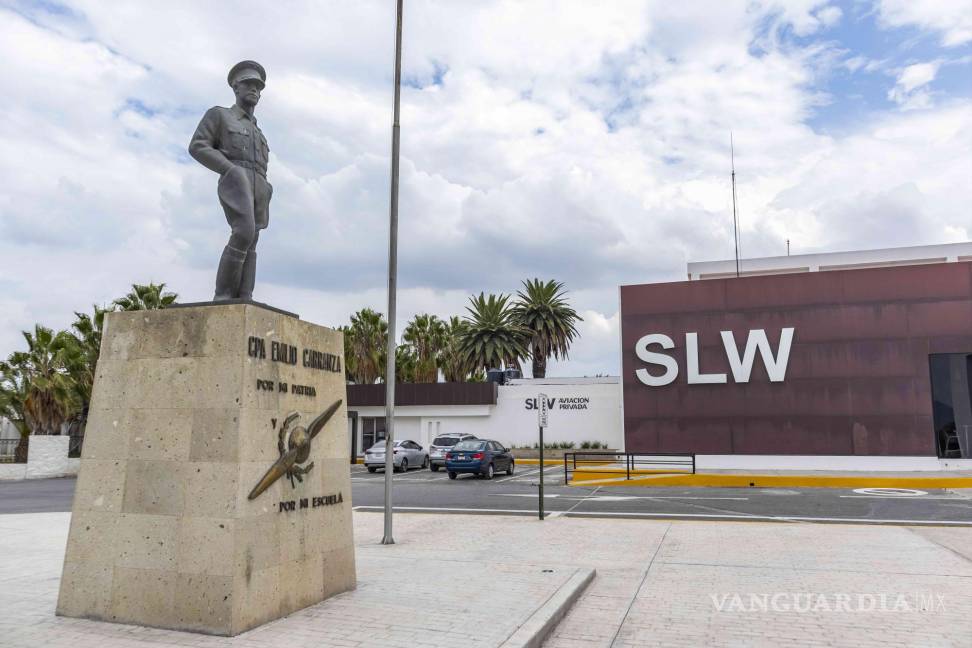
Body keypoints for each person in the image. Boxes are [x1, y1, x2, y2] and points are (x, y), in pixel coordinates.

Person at [189, 60, 272, 301]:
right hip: (236, 177)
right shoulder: (220, 115)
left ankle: (245, 295)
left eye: (258, 86)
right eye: (248, 84)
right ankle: (223, 296)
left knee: (253, 237)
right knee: (243, 232)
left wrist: (266, 187)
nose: (254, 89)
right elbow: (198, 146)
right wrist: (228, 169)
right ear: (236, 88)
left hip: (259, 184)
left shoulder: (258, 132)